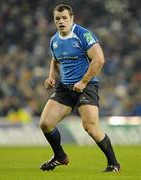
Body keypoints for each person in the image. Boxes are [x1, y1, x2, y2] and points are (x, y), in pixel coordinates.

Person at [39, 3, 120, 172]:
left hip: (87, 85)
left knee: (90, 127)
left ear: (72, 18)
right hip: (65, 88)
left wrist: (83, 81)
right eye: (57, 19)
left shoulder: (83, 35)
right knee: (45, 123)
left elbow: (99, 60)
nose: (61, 21)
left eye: (64, 18)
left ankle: (113, 164)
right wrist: (52, 78)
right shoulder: (54, 40)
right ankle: (60, 156)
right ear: (54, 21)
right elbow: (55, 61)